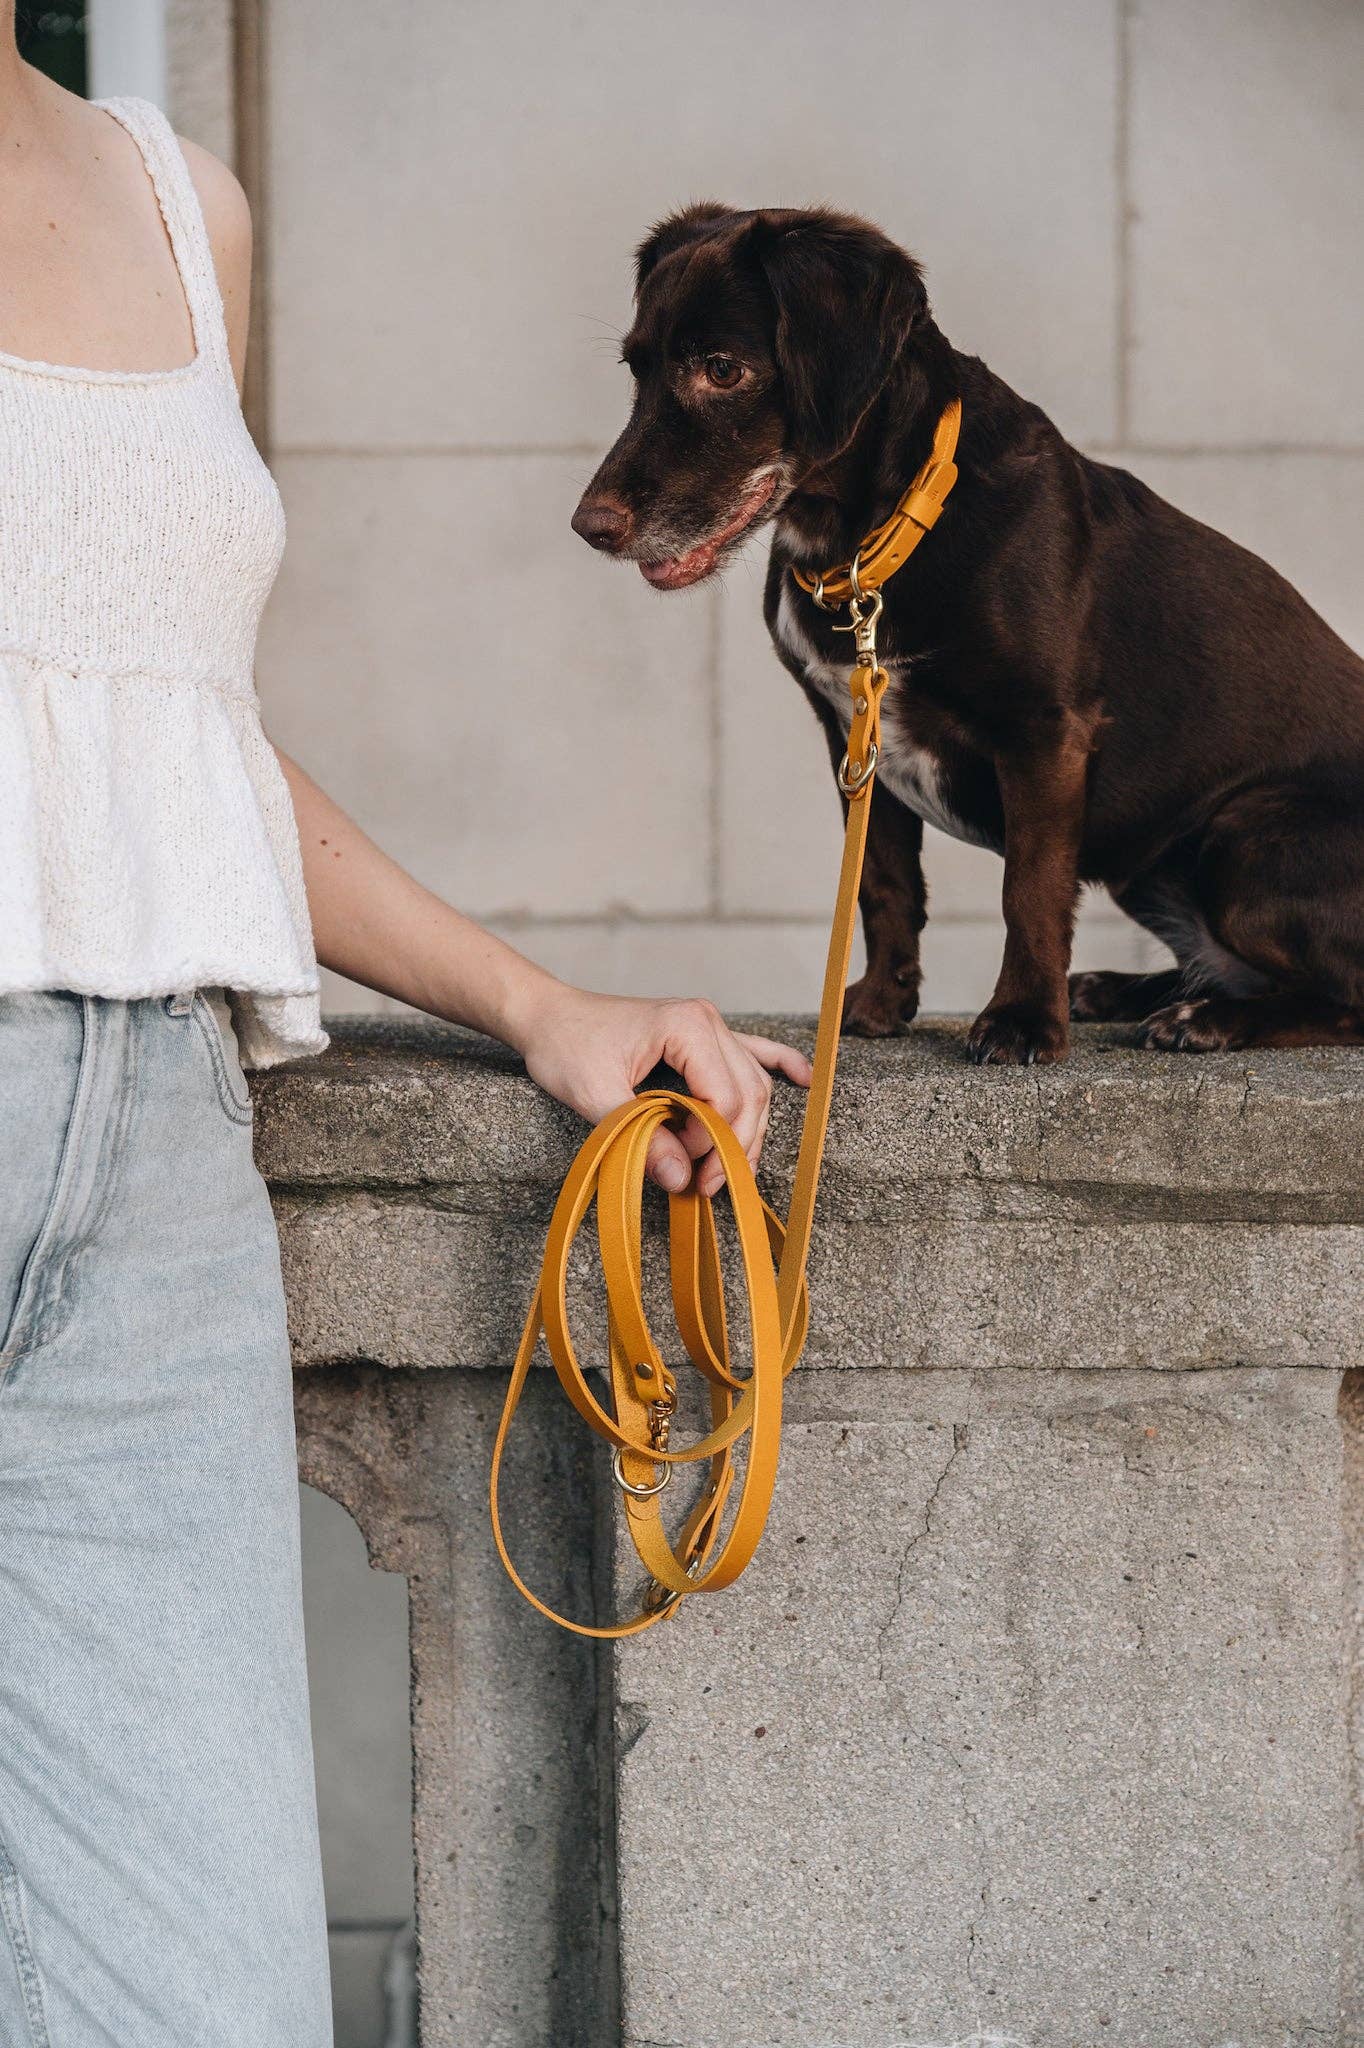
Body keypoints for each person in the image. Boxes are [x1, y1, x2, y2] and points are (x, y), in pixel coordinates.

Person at [0, 37, 810, 2048]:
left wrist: (539, 1000)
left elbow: (159, 730)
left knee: (203, 2004)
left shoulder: (183, 205)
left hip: (153, 1170)